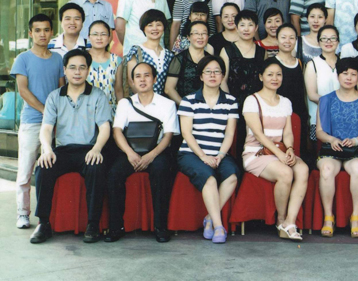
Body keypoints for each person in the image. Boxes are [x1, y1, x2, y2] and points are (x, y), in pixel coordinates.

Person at [28, 49, 111, 244]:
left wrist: (97, 148)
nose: (77, 72)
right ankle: (44, 223)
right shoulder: (54, 97)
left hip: (88, 149)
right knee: (43, 167)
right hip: (62, 151)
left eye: (82, 67)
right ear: (65, 70)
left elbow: (105, 127)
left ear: (88, 70)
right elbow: (46, 128)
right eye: (72, 67)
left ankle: (92, 224)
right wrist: (47, 149)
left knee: (97, 167)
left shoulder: (98, 95)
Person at [107, 62, 178, 243]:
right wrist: (130, 154)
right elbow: (117, 132)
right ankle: (115, 227)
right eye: (138, 76)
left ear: (155, 79)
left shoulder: (167, 104)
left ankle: (160, 227)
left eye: (147, 75)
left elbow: (168, 136)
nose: (142, 80)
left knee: (161, 171)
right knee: (114, 174)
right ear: (132, 81)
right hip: (130, 152)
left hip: (157, 152)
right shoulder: (125, 103)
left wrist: (151, 156)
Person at [242, 58, 309, 241]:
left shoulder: (285, 102)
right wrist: (280, 154)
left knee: (303, 169)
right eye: (270, 74)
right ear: (261, 77)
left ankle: (290, 222)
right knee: (286, 173)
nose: (275, 78)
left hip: (280, 151)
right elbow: (258, 134)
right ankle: (280, 220)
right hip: (256, 153)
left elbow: (287, 132)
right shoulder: (252, 101)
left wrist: (289, 149)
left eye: (278, 74)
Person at [176, 55, 240, 244]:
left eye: (217, 72)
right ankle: (219, 226)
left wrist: (220, 155)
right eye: (208, 72)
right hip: (191, 153)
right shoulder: (189, 100)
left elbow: (229, 133)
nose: (213, 75)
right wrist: (203, 156)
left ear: (222, 76)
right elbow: (186, 133)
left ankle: (209, 218)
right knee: (209, 179)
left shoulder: (230, 101)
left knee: (232, 176)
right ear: (201, 76)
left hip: (219, 153)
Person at [12, 15, 64, 230]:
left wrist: (55, 116)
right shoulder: (22, 59)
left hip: (56, 125)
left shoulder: (58, 59)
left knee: (51, 170)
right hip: (32, 123)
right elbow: (23, 90)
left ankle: (48, 215)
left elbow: (62, 90)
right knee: (25, 171)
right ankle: (23, 213)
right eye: (38, 30)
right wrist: (45, 111)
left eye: (46, 30)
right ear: (30, 33)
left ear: (52, 32)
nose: (42, 34)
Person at [315, 57, 358, 239]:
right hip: (331, 151)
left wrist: (355, 141)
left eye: (353, 74)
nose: (349, 77)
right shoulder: (326, 100)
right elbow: (319, 131)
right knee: (326, 169)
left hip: (356, 151)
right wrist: (332, 139)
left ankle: (355, 217)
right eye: (345, 73)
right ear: (338, 75)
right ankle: (328, 217)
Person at [121, 10, 176, 97]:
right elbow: (132, 81)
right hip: (141, 101)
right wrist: (147, 101)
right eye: (150, 25)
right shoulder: (136, 51)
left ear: (164, 27)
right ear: (144, 28)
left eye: (158, 24)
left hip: (163, 102)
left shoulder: (169, 55)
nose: (155, 28)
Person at [219, 10, 266, 108]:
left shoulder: (262, 52)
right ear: (236, 28)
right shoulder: (227, 50)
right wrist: (230, 105)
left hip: (258, 105)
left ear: (256, 28)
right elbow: (222, 80)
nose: (246, 29)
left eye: (250, 25)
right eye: (242, 25)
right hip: (233, 104)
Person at [274, 24, 309, 152]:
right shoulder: (271, 63)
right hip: (278, 114)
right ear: (277, 39)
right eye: (283, 37)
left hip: (299, 113)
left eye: (291, 38)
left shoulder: (300, 63)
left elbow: (303, 91)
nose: (287, 41)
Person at [304, 25, 341, 143]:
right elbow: (312, 95)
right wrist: (337, 104)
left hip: (342, 117)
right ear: (319, 42)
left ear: (338, 41)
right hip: (319, 119)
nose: (328, 41)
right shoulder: (312, 64)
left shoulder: (344, 63)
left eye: (333, 38)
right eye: (324, 38)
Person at [164, 20, 210, 104]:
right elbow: (168, 89)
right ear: (188, 37)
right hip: (185, 107)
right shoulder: (179, 59)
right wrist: (186, 106)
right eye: (196, 33)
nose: (200, 37)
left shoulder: (211, 60)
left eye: (204, 33)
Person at [86, 20, 122, 116]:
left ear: (109, 37)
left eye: (103, 34)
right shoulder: (82, 58)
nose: (99, 38)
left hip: (110, 113)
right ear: (89, 37)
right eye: (95, 34)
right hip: (86, 112)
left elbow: (118, 89)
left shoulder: (116, 60)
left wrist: (122, 113)